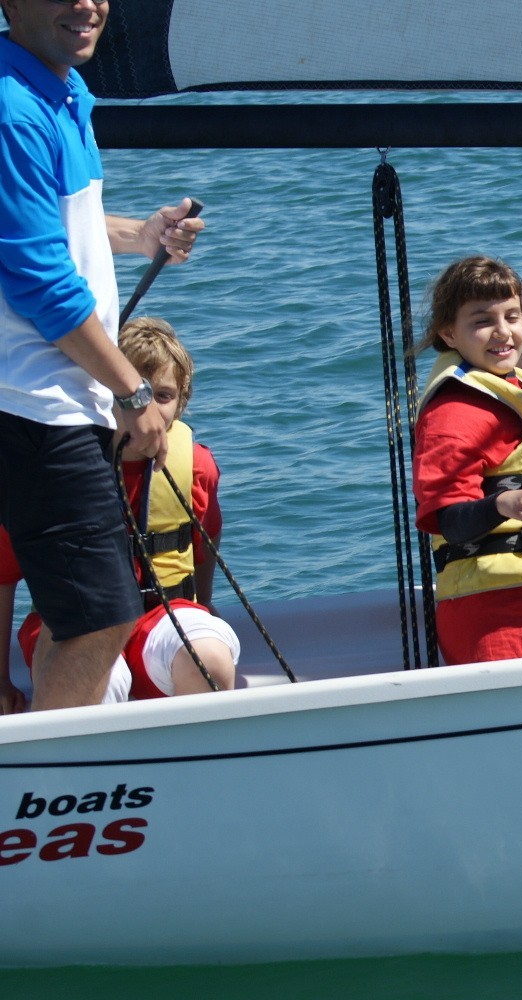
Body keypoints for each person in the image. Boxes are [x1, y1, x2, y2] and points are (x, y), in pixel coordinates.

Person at [0, 0, 204, 710]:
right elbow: (38, 280)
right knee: (99, 619)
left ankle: (47, 765)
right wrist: (133, 392)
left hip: (57, 400)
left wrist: (138, 235)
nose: (86, 4)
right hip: (36, 405)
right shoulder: (11, 108)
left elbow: (57, 226)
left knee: (85, 615)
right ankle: (49, 776)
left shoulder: (63, 88)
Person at [411, 256, 522, 665]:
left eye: (512, 316)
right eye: (482, 321)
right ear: (448, 333)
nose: (503, 331)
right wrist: (502, 505)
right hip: (500, 619)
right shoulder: (456, 410)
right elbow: (447, 519)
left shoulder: (519, 384)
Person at [0, 527, 239, 712]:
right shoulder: (33, 480)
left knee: (209, 660)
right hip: (73, 617)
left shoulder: (192, 471)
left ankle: (193, 756)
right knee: (90, 679)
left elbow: (206, 526)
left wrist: (203, 600)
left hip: (164, 611)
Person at [114, 316, 222, 608]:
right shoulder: (69, 461)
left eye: (162, 396)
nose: (147, 409)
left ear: (180, 401)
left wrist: (204, 604)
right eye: (136, 395)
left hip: (168, 610)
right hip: (87, 617)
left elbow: (207, 537)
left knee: (213, 640)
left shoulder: (197, 465)